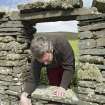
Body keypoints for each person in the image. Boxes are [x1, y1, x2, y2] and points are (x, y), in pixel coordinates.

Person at [20, 34, 75, 105]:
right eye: (42, 62)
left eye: (47, 60)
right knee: (54, 88)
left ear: (50, 50)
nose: (45, 64)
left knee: (64, 88)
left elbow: (69, 67)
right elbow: (33, 78)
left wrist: (63, 87)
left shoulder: (61, 43)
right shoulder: (36, 57)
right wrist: (24, 95)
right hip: (52, 68)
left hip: (64, 64)